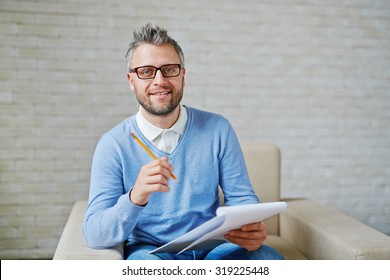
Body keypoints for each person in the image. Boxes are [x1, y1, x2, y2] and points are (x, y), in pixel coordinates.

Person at [82, 23, 284, 260]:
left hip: (214, 249)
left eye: (169, 69)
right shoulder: (112, 145)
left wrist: (250, 227)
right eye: (146, 71)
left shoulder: (218, 129)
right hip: (151, 253)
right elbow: (94, 234)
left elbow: (242, 198)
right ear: (131, 80)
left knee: (266, 258)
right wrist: (135, 197)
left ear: (183, 76)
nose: (159, 80)